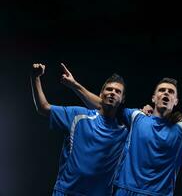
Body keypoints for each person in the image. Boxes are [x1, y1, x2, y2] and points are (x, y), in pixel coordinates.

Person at [60, 64, 182, 195]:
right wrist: (74, 85)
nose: (166, 93)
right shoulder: (136, 116)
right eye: (162, 90)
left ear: (176, 101)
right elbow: (103, 105)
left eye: (171, 92)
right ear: (154, 98)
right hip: (125, 189)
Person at [30, 63, 128, 196]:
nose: (112, 93)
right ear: (101, 94)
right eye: (109, 89)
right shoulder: (78, 116)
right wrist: (35, 78)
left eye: (117, 91)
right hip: (66, 191)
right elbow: (43, 107)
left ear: (122, 99)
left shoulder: (126, 129)